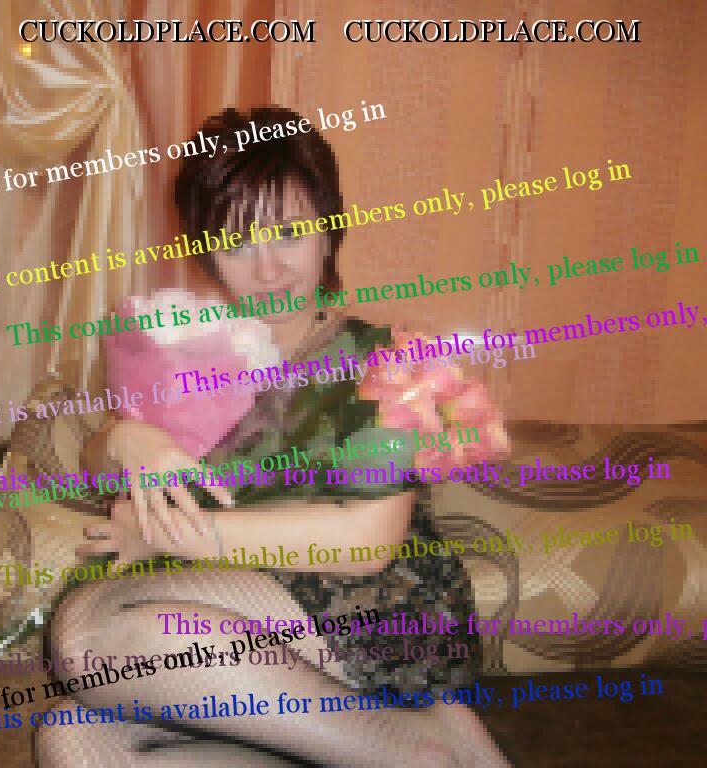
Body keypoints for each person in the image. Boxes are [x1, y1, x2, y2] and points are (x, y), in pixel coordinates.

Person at [37, 106, 510, 767]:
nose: (267, 270)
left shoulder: (383, 356)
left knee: (89, 640)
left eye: (288, 233)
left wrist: (173, 536)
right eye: (237, 244)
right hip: (244, 631)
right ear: (207, 252)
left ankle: (429, 750)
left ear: (328, 230)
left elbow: (367, 542)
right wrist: (125, 439)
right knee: (73, 741)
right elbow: (97, 471)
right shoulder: (196, 353)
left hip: (370, 609)